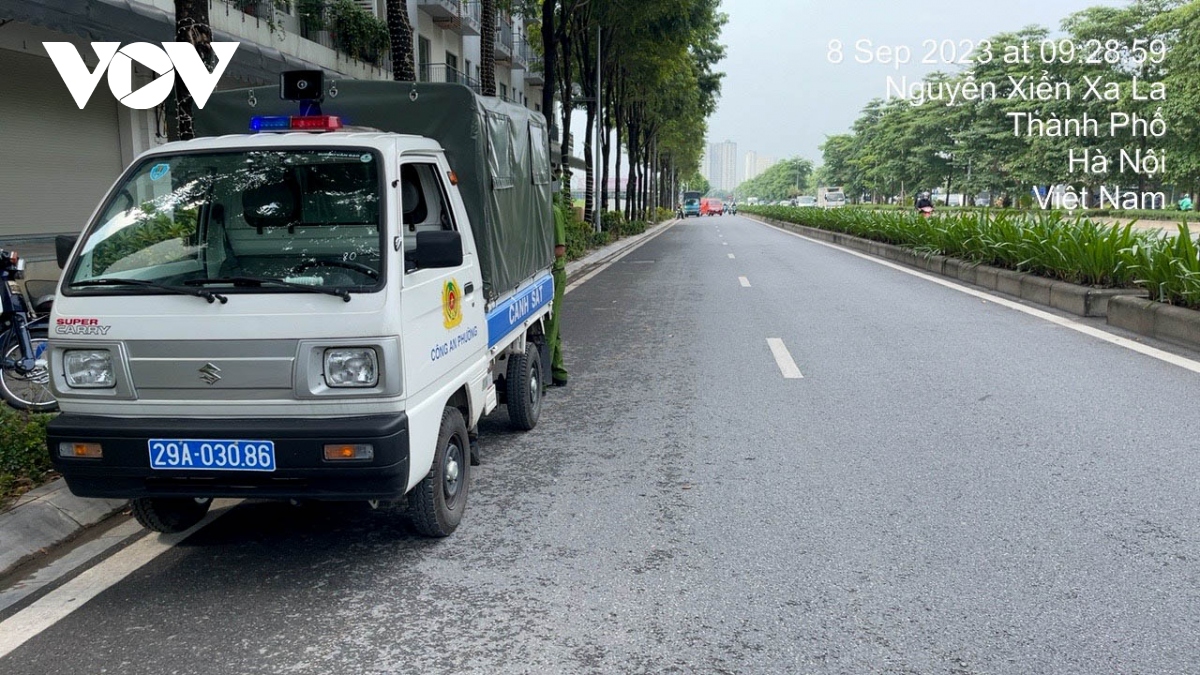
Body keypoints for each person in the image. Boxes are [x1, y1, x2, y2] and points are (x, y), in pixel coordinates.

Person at [546, 198, 569, 388]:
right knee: (553, 326)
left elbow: (559, 249)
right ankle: (558, 371)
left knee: (549, 326)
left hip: (554, 274)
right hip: (545, 274)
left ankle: (544, 375)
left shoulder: (553, 211)